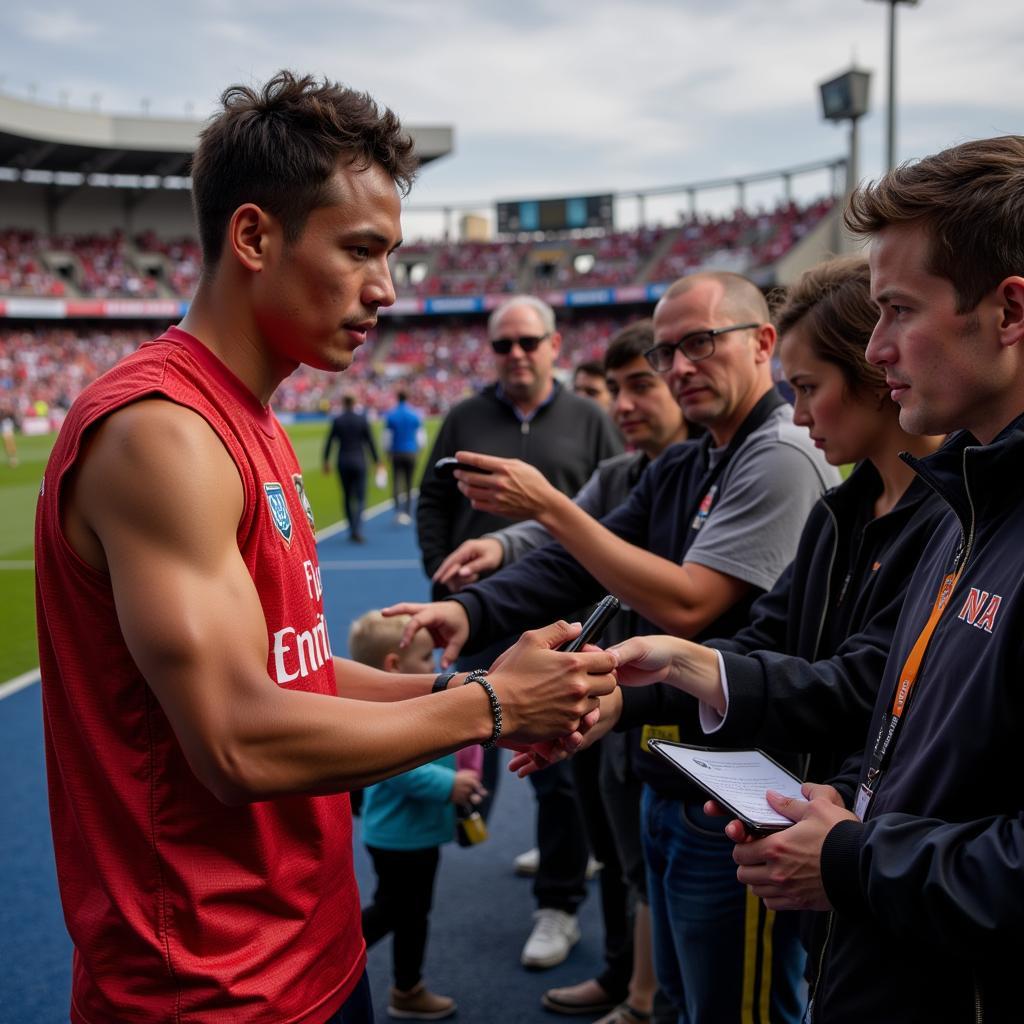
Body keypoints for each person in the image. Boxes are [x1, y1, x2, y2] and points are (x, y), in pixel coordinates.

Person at [33, 70, 618, 1024]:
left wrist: (471, 692)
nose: (386, 289)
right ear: (254, 237)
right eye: (360, 250)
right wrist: (490, 706)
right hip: (210, 987)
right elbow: (235, 741)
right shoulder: (163, 434)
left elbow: (293, 676)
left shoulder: (249, 418)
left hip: (307, 947)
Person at [615, 136, 1024, 1023]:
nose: (880, 348)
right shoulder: (967, 505)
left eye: (899, 311)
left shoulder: (955, 507)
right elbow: (917, 733)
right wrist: (854, 806)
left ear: (1010, 311)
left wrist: (850, 855)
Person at [388, 270, 839, 1022]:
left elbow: (690, 604)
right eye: (667, 353)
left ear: (764, 343)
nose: (679, 368)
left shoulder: (780, 453)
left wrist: (549, 505)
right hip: (678, 771)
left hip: (744, 796)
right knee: (676, 1000)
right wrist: (470, 612)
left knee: (740, 1007)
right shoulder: (692, 461)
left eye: (699, 343)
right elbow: (579, 560)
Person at [544, 255, 947, 1019]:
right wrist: (623, 704)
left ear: (872, 375)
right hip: (824, 835)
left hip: (871, 853)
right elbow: (767, 641)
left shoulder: (947, 522)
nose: (798, 416)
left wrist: (681, 660)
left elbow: (864, 686)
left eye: (807, 389)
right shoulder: (842, 513)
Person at [433, 320, 688, 1022]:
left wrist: (537, 512)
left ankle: (643, 994)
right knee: (626, 850)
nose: (625, 405)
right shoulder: (646, 471)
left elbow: (686, 597)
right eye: (620, 389)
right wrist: (478, 588)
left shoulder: (735, 464)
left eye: (643, 384)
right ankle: (626, 982)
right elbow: (561, 536)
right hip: (608, 682)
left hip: (676, 709)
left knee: (672, 877)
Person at [415, 293, 623, 971]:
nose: (516, 355)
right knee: (467, 734)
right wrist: (445, 581)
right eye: (503, 345)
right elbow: (433, 500)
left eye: (528, 342)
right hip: (483, 611)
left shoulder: (593, 420)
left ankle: (557, 903)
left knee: (560, 770)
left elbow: (615, 517)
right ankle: (455, 839)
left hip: (564, 624)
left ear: (554, 346)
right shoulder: (466, 417)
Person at [350, 610, 484, 1021]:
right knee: (396, 910)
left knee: (411, 912)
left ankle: (407, 987)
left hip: (418, 835)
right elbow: (400, 769)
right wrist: (448, 786)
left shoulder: (414, 703)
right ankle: (335, 954)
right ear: (394, 664)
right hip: (399, 839)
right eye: (427, 658)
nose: (436, 666)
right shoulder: (386, 712)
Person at [323, 393, 381, 543]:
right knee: (361, 497)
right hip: (359, 461)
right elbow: (370, 442)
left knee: (347, 496)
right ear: (355, 402)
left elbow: (329, 442)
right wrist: (377, 461)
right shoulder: (362, 419)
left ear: (343, 403)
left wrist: (326, 461)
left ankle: (351, 528)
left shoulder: (338, 420)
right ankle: (357, 528)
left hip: (343, 461)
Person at [384, 389, 423, 524]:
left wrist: (387, 452)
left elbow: (387, 437)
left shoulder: (392, 415)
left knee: (396, 482)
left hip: (396, 452)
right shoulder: (414, 414)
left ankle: (397, 511)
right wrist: (418, 451)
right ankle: (407, 511)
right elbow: (420, 437)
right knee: (409, 482)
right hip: (411, 452)